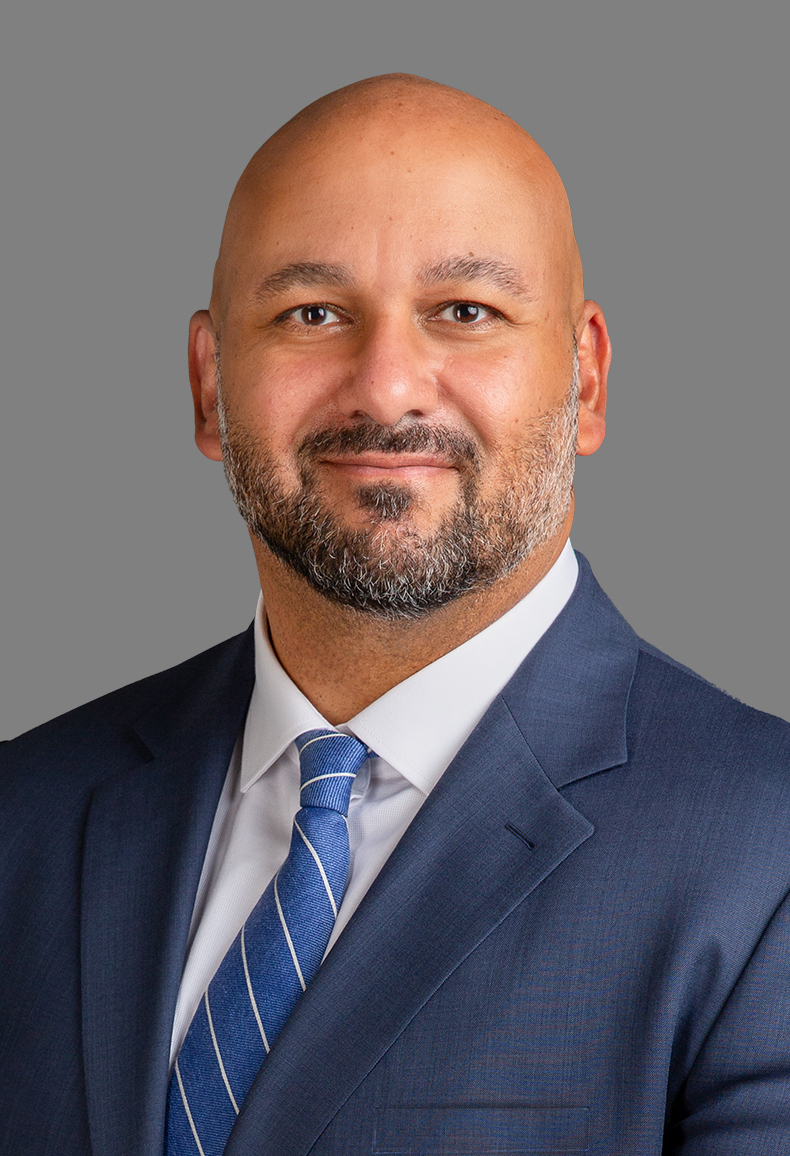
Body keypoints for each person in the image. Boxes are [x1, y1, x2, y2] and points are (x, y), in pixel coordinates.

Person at [2, 73, 789, 1156]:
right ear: (209, 386)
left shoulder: (766, 855)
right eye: (311, 314)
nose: (385, 388)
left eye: (465, 312)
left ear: (586, 381)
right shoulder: (25, 813)